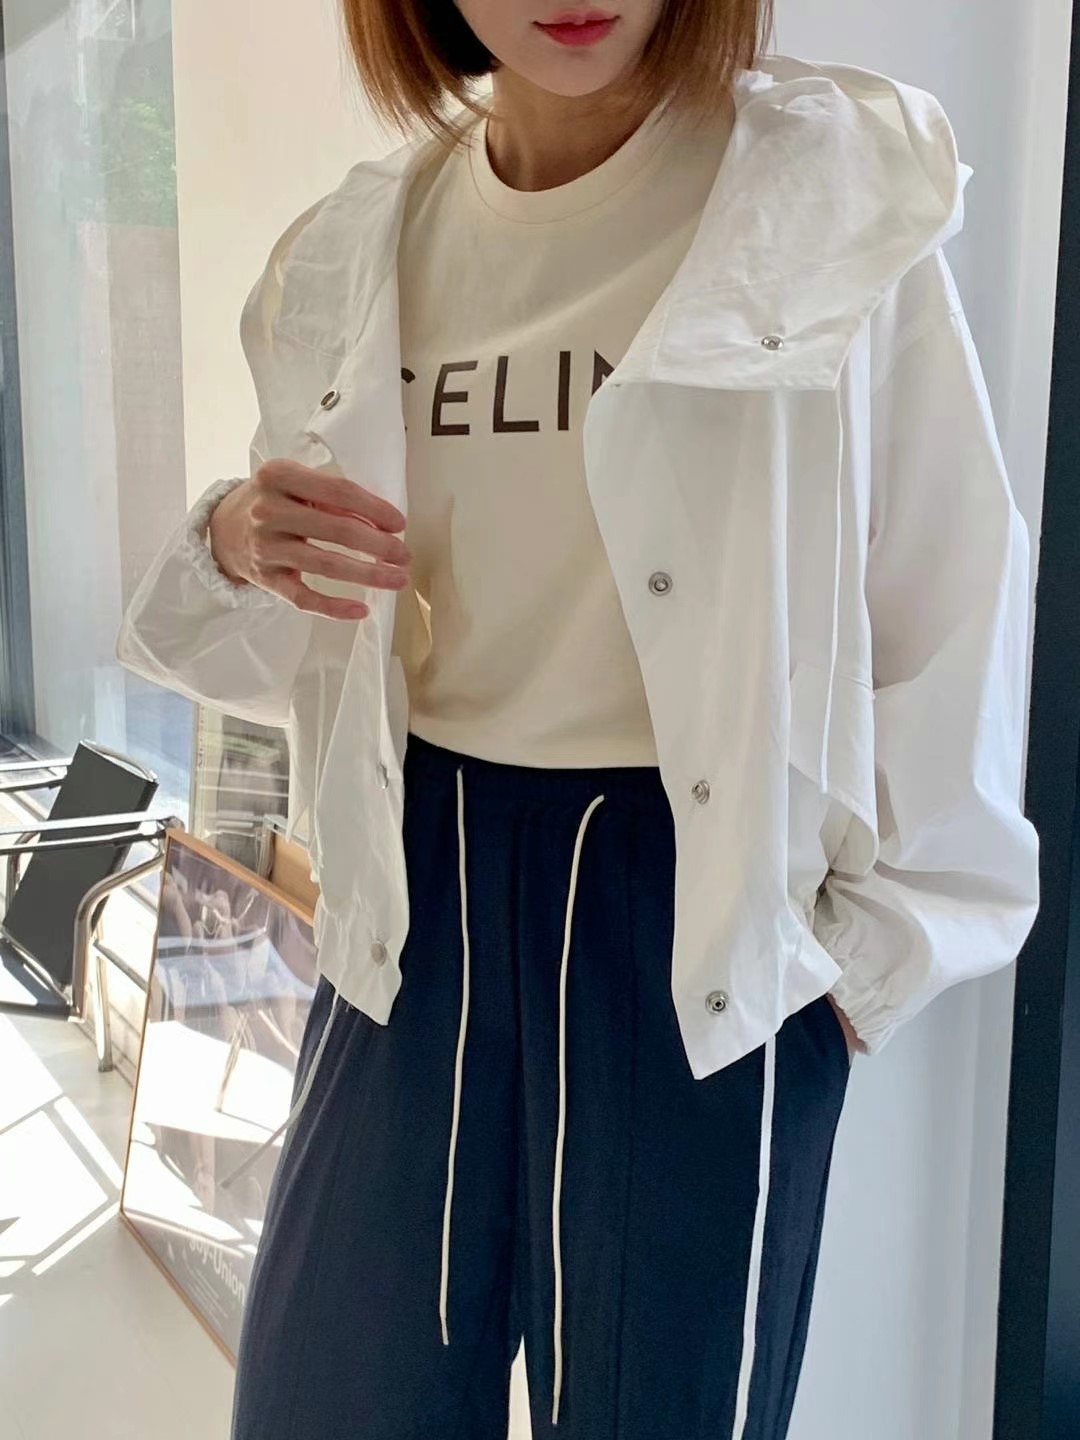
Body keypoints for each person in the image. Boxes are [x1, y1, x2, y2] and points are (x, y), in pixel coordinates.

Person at [114, 2, 1041, 1436]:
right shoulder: (353, 245)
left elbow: (951, 600)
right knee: (321, 1397)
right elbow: (289, 638)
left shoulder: (826, 191)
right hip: (414, 898)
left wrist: (851, 985)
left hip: (683, 925)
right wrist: (239, 537)